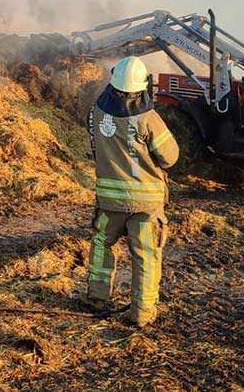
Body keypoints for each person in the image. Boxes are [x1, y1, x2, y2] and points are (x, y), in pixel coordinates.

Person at [82, 56, 180, 327]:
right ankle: (142, 314)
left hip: (109, 200)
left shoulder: (96, 112)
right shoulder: (148, 118)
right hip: (145, 203)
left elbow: (94, 147)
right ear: (142, 86)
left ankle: (97, 298)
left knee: (102, 244)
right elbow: (170, 157)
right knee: (146, 255)